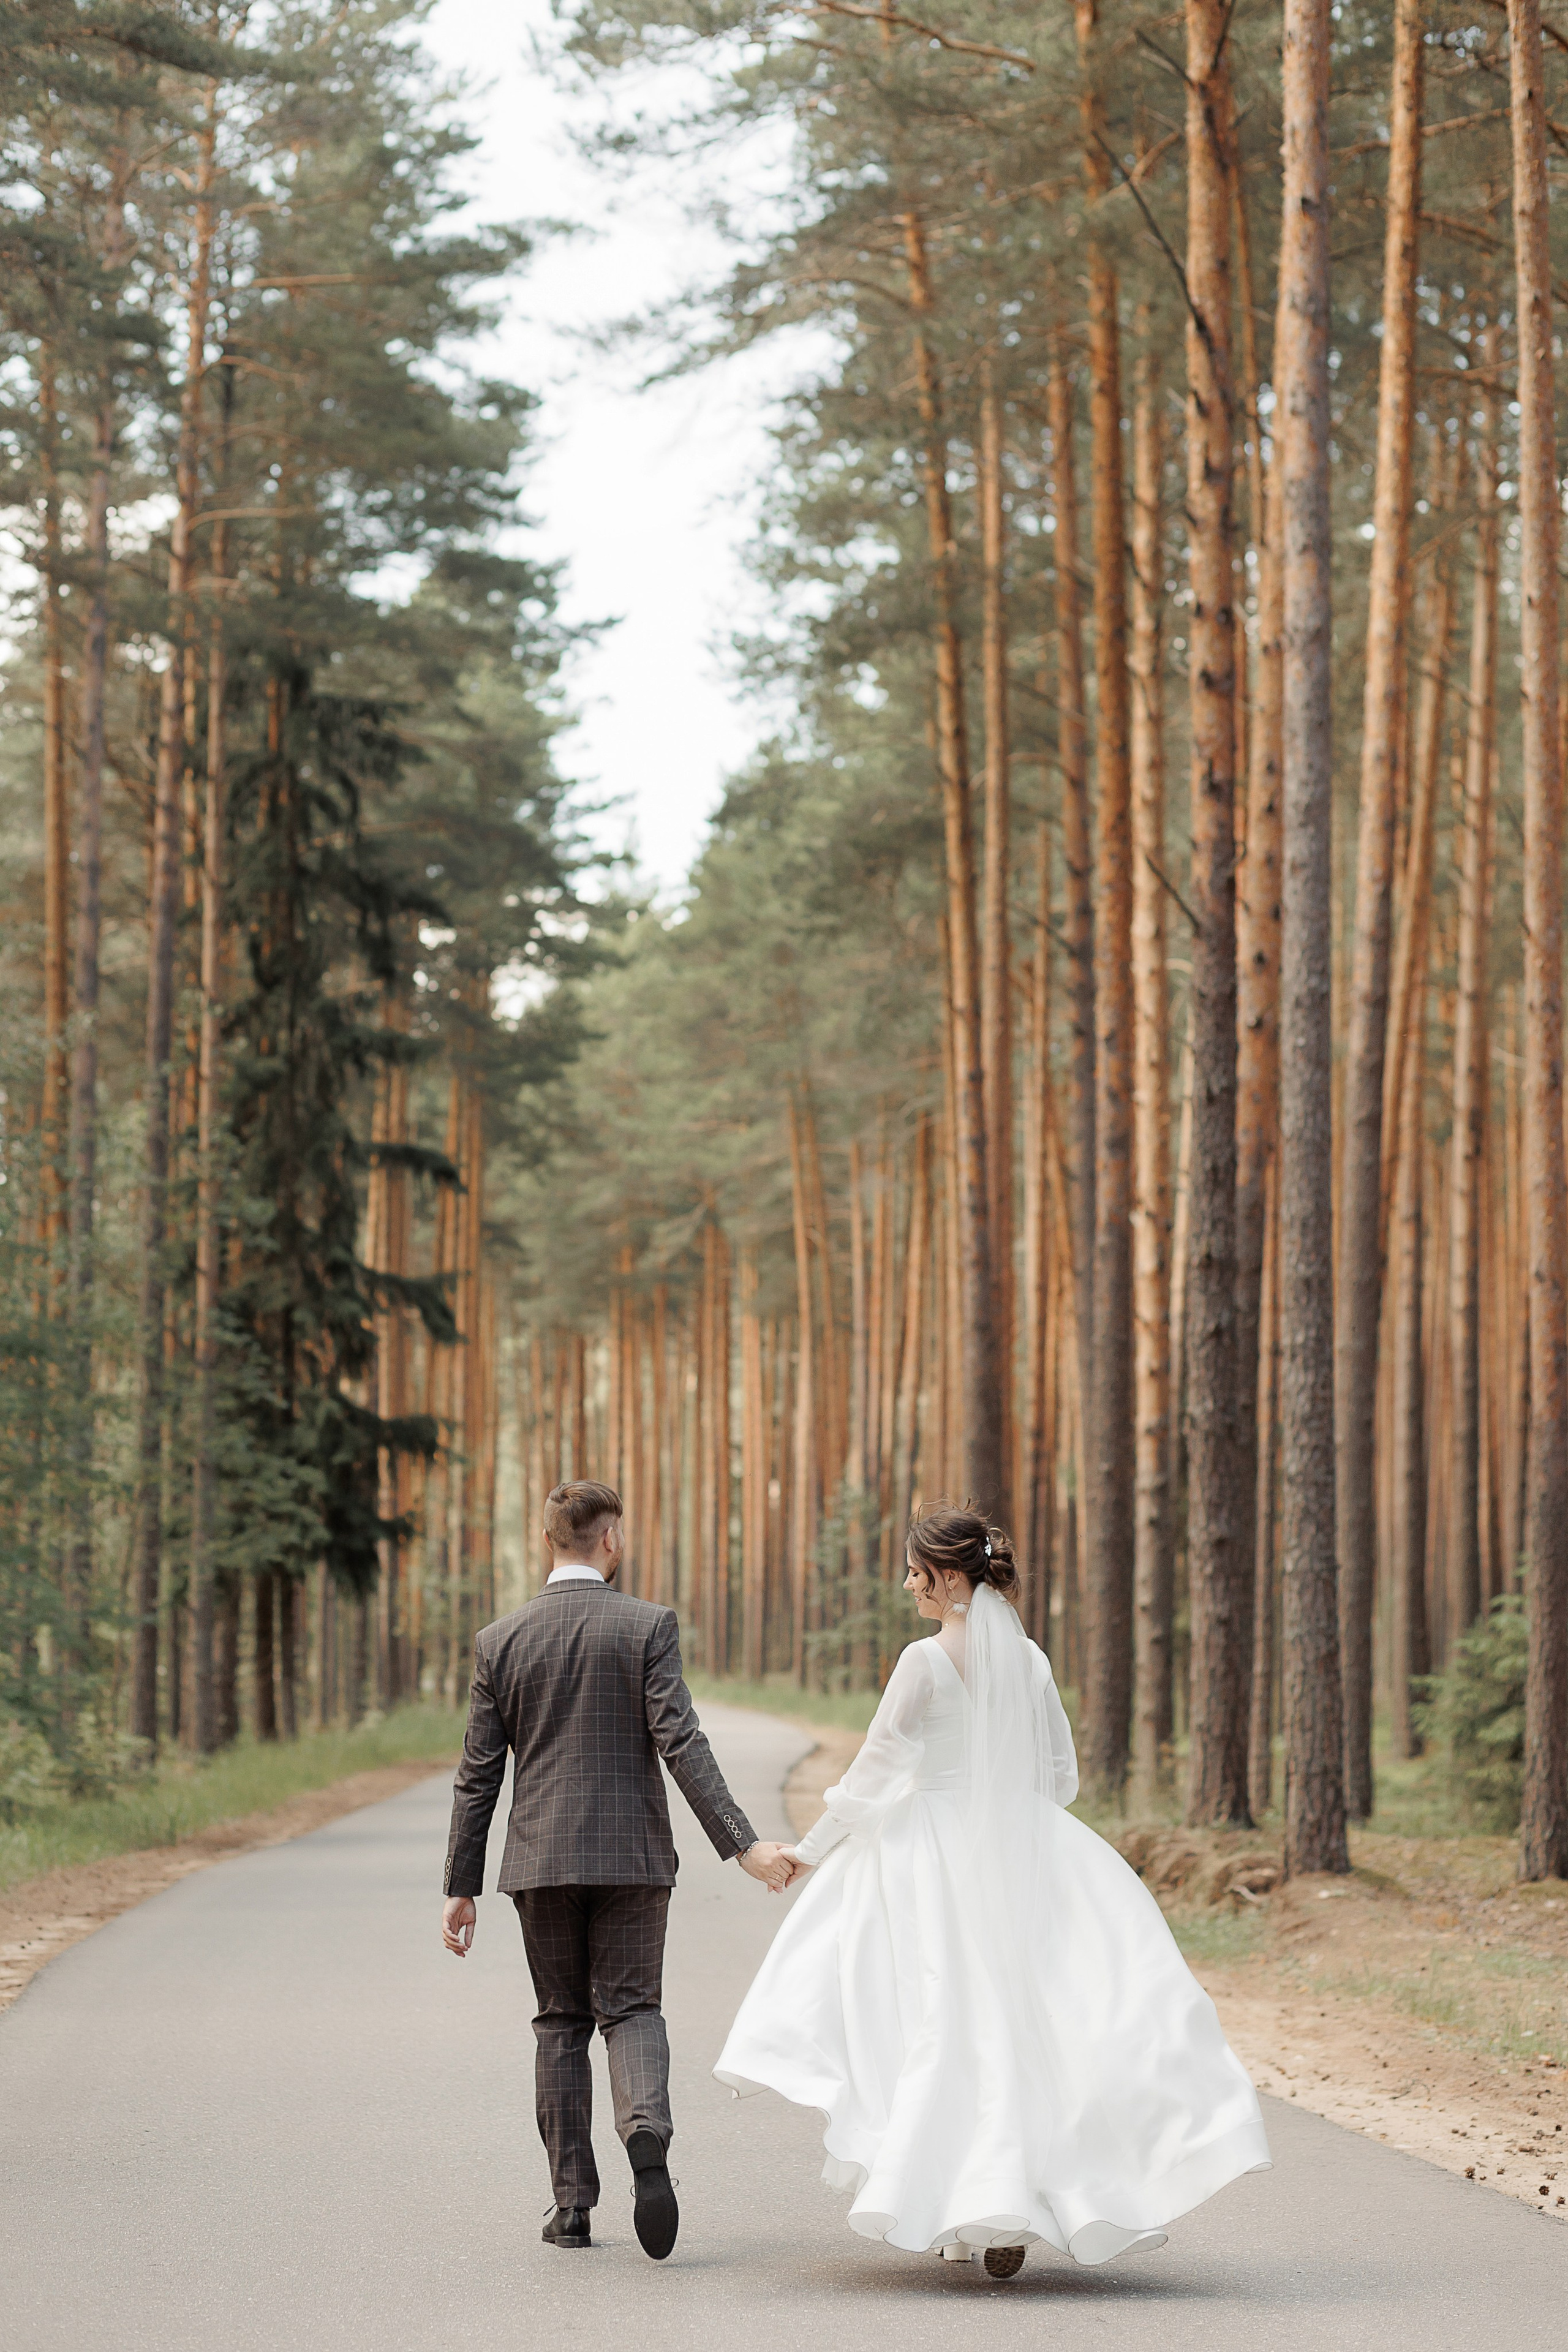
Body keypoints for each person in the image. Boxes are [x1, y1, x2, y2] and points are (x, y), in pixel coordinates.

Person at [715, 1500, 1272, 2277]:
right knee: (1028, 2026)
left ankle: (963, 2207)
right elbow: (1061, 1777)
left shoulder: (923, 1662)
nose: (906, 1584)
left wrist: (808, 1852)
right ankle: (1007, 2205)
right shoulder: (1032, 1660)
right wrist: (1016, 1828)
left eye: (915, 1571)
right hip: (1025, 1845)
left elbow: (873, 1773)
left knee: (938, 2026)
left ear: (947, 1576)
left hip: (930, 1858)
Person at [441, 1479, 794, 2261]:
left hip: (539, 1862)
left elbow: (478, 1773)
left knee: (560, 2023)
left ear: (547, 1543)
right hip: (632, 1857)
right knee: (633, 2010)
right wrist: (742, 1845)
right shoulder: (645, 1625)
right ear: (611, 1541)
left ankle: (571, 2205)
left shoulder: (499, 1640)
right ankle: (645, 2140)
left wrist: (460, 1886)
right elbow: (682, 1742)